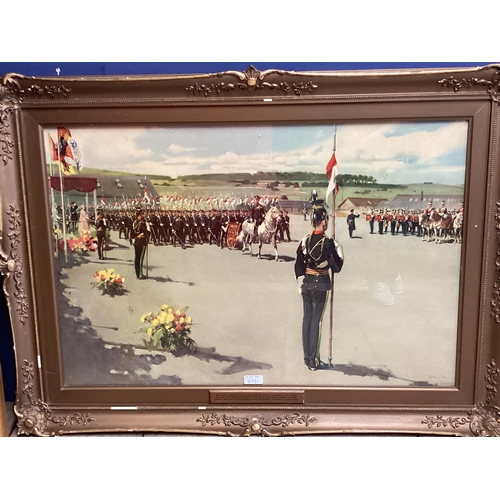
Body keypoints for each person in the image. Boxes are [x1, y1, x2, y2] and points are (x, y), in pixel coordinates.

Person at [294, 200, 344, 371]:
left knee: (306, 321)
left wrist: (300, 281)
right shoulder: (327, 242)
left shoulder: (305, 240)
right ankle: (314, 361)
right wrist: (338, 252)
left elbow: (298, 264)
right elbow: (336, 268)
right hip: (321, 285)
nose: (327, 223)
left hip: (306, 284)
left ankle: (307, 359)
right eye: (326, 220)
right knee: (316, 323)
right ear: (323, 221)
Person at [131, 211, 150, 279]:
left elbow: (133, 234)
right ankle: (139, 274)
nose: (141, 216)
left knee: (137, 258)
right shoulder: (142, 223)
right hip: (141, 242)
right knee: (139, 259)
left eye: (141, 215)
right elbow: (147, 233)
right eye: (139, 215)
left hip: (136, 242)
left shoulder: (135, 223)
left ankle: (138, 274)